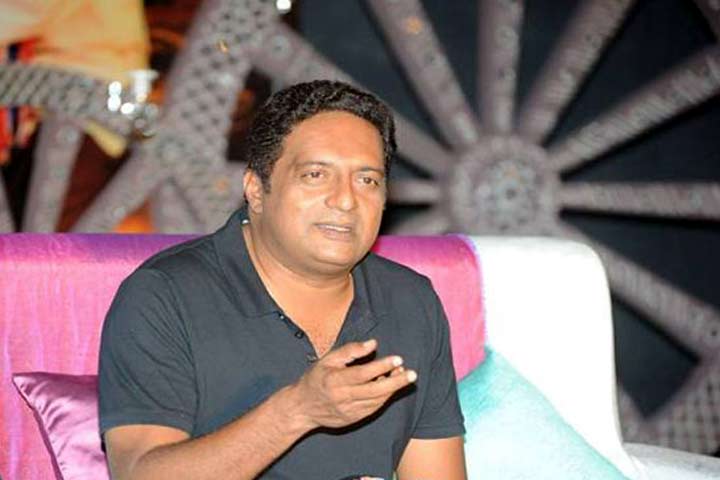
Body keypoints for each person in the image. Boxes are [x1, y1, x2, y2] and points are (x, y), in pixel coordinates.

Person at [98, 80, 467, 480]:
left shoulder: (409, 301)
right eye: (315, 174)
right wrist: (297, 410)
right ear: (256, 190)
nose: (345, 200)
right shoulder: (164, 294)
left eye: (367, 180)